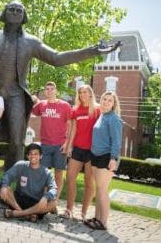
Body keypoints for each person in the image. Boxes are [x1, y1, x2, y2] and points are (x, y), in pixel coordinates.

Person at [0, 0, 121, 169]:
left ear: (24, 17)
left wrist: (92, 50)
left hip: (16, 95)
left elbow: (56, 58)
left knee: (17, 140)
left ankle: (10, 180)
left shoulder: (31, 42)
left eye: (19, 10)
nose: (14, 12)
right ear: (4, 14)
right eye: (11, 9)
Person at [84, 91, 122, 231]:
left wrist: (113, 159)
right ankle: (97, 218)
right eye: (104, 99)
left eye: (109, 100)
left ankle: (103, 222)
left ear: (113, 104)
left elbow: (117, 142)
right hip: (95, 156)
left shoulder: (114, 119)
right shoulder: (102, 116)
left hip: (106, 157)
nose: (106, 102)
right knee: (99, 189)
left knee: (102, 190)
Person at [64, 85, 101, 220]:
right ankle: (69, 209)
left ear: (90, 94)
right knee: (70, 177)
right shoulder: (76, 110)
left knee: (88, 181)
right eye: (80, 93)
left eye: (85, 92)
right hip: (78, 149)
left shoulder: (98, 110)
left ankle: (84, 212)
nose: (82, 95)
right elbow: (73, 130)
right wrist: (69, 146)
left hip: (92, 151)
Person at [32, 81, 72, 202]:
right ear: (44, 92)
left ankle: (54, 200)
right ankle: (43, 199)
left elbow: (70, 124)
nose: (49, 91)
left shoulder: (65, 105)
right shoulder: (42, 105)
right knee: (44, 173)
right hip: (45, 144)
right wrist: (33, 99)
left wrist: (67, 143)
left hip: (60, 145)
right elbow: (32, 109)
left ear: (56, 91)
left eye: (51, 89)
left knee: (58, 173)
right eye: (47, 89)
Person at [0, 142, 58, 222]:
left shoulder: (47, 172)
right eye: (30, 154)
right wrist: (4, 186)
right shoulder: (21, 165)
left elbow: (54, 188)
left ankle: (17, 214)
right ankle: (26, 215)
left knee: (54, 203)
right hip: (18, 200)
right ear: (27, 156)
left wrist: (46, 197)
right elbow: (7, 175)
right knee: (5, 189)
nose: (33, 156)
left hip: (36, 204)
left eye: (36, 154)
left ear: (41, 156)